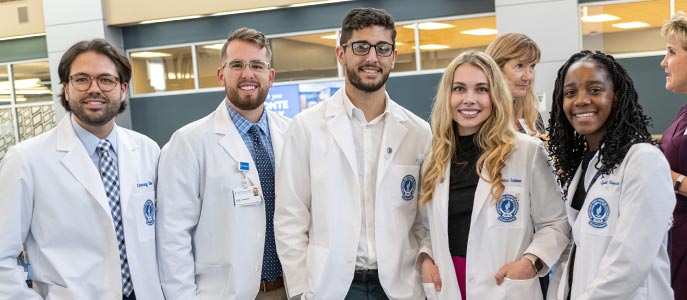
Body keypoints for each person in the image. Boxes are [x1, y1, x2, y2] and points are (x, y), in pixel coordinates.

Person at [274, 7, 431, 300]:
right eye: (361, 47)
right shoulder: (306, 128)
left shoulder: (418, 132)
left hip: (400, 285)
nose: (372, 57)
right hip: (332, 286)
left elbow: (426, 220)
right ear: (341, 54)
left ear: (393, 58)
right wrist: (299, 290)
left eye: (382, 48)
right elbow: (290, 218)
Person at [0, 39, 163, 299]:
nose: (94, 89)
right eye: (81, 79)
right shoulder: (26, 159)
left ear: (122, 89)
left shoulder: (148, 150)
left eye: (106, 80)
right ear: (66, 89)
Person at [418, 50, 569, 300]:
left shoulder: (527, 152)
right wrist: (425, 258)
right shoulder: (434, 157)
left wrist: (531, 262)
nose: (469, 99)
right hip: (447, 283)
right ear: (447, 95)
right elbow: (424, 226)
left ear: (495, 95)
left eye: (481, 89)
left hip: (504, 286)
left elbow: (556, 222)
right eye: (459, 89)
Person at [155, 28, 290, 300]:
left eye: (257, 65)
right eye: (237, 65)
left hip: (289, 289)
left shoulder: (294, 133)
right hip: (224, 292)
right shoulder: (188, 142)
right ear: (221, 75)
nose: (247, 74)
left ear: (271, 76)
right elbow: (173, 235)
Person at [547, 50, 674, 299]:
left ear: (616, 97)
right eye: (570, 93)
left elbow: (629, 263)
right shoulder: (585, 166)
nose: (581, 100)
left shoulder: (643, 161)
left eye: (595, 90)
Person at [659, 12, 687, 300]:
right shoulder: (683, 112)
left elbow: (667, 172)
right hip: (673, 242)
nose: (664, 62)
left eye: (671, 52)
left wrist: (668, 178)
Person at [486, 32, 545, 137]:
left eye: (532, 66)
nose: (528, 77)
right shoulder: (481, 117)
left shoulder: (532, 115)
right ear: (496, 68)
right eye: (519, 66)